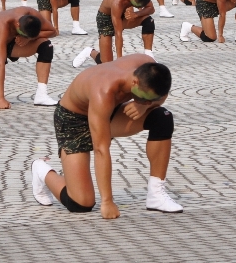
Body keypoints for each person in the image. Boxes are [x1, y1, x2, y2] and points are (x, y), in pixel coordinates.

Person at [29, 55, 182, 217]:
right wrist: (107, 201)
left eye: (149, 100)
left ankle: (156, 195)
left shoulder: (148, 67)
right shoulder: (104, 89)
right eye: (144, 98)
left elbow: (161, 94)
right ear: (135, 82)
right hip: (73, 120)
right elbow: (101, 149)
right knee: (81, 203)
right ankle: (41, 170)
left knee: (162, 117)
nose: (146, 102)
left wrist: (145, 105)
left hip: (109, 112)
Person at [72, 0, 156, 67]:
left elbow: (151, 9)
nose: (135, 7)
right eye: (136, 5)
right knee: (106, 64)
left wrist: (137, 14)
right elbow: (118, 34)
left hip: (123, 15)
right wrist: (120, 60)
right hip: (106, 18)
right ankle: (89, 51)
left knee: (149, 21)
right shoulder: (118, 2)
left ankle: (148, 55)